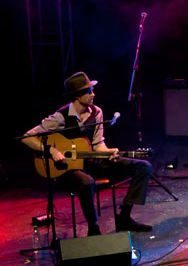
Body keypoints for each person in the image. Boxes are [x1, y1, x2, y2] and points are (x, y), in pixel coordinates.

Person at [22, 72, 152, 236]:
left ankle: (124, 217)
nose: (93, 94)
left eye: (92, 90)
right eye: (88, 91)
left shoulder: (96, 112)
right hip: (68, 169)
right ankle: (94, 229)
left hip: (91, 162)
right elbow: (27, 138)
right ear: (76, 96)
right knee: (86, 182)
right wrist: (52, 150)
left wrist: (108, 152)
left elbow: (98, 145)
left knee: (143, 168)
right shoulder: (60, 117)